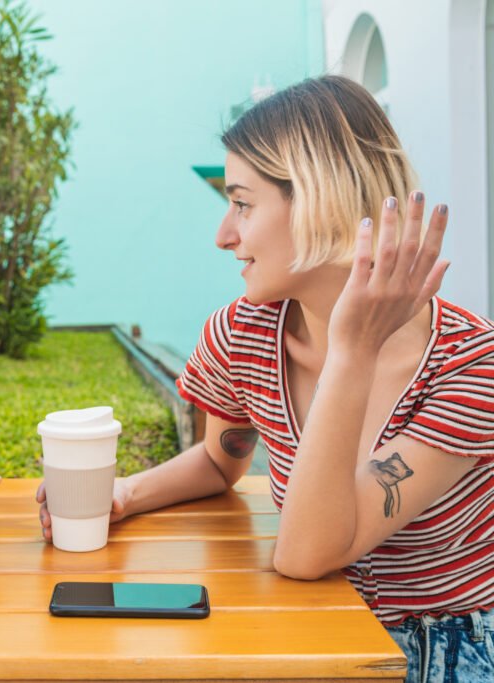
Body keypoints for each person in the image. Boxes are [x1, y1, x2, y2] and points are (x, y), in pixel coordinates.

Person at [38, 75, 494, 682]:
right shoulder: (244, 334)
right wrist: (125, 494)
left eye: (242, 204)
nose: (223, 235)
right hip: (303, 628)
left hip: (445, 650)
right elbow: (218, 461)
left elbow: (307, 554)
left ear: (320, 202)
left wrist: (351, 352)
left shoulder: (470, 364)